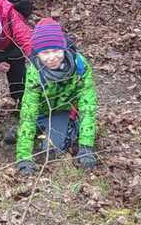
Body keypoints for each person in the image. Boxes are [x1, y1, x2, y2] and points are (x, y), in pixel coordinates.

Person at [15, 18, 98, 175]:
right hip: (44, 112)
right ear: (37, 53)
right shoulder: (35, 73)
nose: (52, 57)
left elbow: (88, 105)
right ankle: (29, 132)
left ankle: (59, 127)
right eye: (45, 53)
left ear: (64, 48)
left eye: (56, 51)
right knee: (50, 149)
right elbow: (28, 112)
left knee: (60, 145)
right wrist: (24, 156)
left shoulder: (80, 66)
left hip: (68, 110)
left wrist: (86, 147)